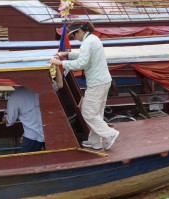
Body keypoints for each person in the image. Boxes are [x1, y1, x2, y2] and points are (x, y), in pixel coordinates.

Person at [50, 20, 119, 150]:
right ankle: (95, 142)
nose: (74, 38)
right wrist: (67, 54)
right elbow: (84, 56)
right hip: (103, 81)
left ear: (80, 31)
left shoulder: (88, 42)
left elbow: (81, 63)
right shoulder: (92, 39)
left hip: (97, 83)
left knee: (87, 112)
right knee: (96, 113)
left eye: (74, 35)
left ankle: (110, 134)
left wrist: (60, 63)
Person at [2, 86, 44, 152]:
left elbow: (10, 121)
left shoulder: (14, 98)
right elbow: (59, 85)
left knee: (28, 161)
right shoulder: (37, 89)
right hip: (47, 132)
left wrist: (4, 117)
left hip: (32, 136)